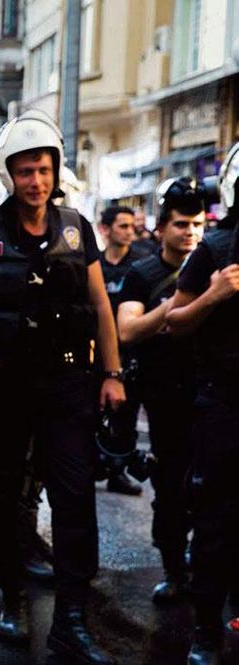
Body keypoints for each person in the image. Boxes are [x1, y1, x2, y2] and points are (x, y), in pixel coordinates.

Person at [0, 109, 124, 663]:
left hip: (68, 384)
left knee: (74, 499)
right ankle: (13, 596)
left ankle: (72, 616)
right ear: (7, 173)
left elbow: (99, 305)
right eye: (25, 171)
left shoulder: (75, 227)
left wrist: (112, 374)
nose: (36, 181)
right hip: (1, 388)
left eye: (44, 170)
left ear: (55, 169)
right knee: (1, 499)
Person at [166, 143, 239, 665]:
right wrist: (215, 295)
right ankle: (207, 631)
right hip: (224, 404)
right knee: (216, 518)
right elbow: (174, 321)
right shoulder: (216, 247)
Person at [117, 177, 204, 605]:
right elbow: (127, 329)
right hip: (164, 394)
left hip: (212, 392)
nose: (190, 233)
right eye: (182, 224)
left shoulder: (217, 263)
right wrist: (172, 307)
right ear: (163, 228)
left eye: (197, 225)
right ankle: (174, 568)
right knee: (171, 485)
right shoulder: (144, 273)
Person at [98, 205, 150, 496]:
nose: (130, 232)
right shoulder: (95, 265)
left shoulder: (142, 264)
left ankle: (118, 469)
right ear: (106, 229)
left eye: (132, 226)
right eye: (123, 226)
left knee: (126, 413)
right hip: (98, 351)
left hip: (131, 352)